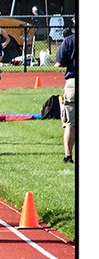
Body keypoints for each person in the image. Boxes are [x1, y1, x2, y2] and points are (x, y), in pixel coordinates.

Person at [55, 16, 76, 164]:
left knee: (70, 123)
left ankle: (68, 156)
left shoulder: (69, 40)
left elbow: (59, 63)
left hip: (73, 82)